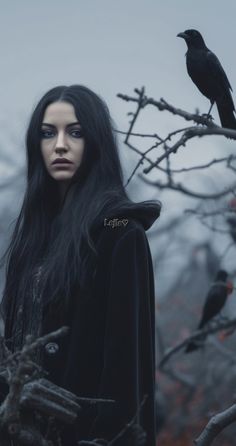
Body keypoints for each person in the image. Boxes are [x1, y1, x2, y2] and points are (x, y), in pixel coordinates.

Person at [0, 85, 161, 445]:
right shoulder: (31, 242)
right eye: (47, 133)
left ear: (95, 142)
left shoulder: (120, 232)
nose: (60, 145)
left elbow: (124, 375)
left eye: (75, 132)